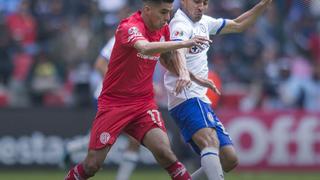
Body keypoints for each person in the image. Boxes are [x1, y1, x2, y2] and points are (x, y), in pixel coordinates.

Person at [64, 0, 212, 179]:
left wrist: (191, 76)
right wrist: (184, 43)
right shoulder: (129, 27)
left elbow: (166, 60)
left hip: (143, 104)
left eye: (169, 13)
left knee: (166, 153)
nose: (167, 19)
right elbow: (145, 47)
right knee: (92, 164)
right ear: (147, 10)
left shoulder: (162, 29)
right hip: (115, 105)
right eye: (163, 12)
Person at [161, 0, 273, 179]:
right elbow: (177, 51)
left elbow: (238, 24)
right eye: (197, 2)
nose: (201, 6)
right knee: (210, 142)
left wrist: (264, 4)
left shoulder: (205, 22)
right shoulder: (179, 24)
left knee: (229, 159)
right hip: (185, 96)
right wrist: (183, 72)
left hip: (200, 99)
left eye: (205, 3)